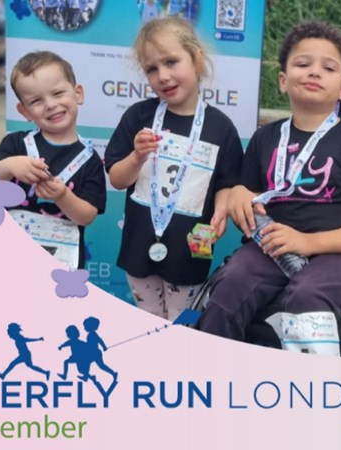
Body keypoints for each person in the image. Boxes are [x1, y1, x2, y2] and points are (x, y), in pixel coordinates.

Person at [198, 21, 341, 356]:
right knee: (228, 287)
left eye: (328, 68)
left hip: (340, 253)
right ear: (283, 80)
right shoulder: (264, 138)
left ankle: (308, 385)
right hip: (270, 248)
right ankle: (215, 374)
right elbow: (246, 199)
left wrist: (308, 242)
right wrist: (239, 194)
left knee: (307, 297)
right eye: (303, 64)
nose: (314, 71)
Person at [104, 16, 243, 320]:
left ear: (197, 59)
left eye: (171, 62)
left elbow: (227, 182)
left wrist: (220, 213)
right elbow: (116, 178)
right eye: (152, 69)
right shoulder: (138, 116)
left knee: (181, 326)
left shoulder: (221, 128)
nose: (163, 76)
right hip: (139, 246)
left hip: (190, 252)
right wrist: (136, 157)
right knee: (147, 322)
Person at [0, 51, 106, 270]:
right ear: (25, 111)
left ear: (78, 94)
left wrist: (62, 196)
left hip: (62, 263)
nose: (50, 104)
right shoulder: (16, 144)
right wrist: (9, 165)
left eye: (58, 93)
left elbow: (87, 216)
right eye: (36, 101)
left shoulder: (90, 160)